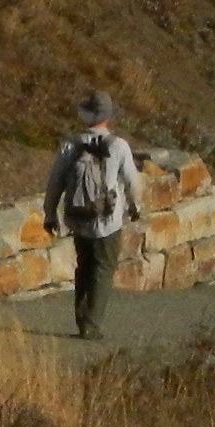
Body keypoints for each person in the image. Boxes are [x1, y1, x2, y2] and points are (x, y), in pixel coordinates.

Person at [42, 91, 142, 341]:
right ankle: (92, 324)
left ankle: (81, 317)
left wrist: (50, 213)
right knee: (103, 268)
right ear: (108, 117)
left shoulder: (70, 145)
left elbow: (55, 182)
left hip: (78, 218)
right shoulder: (119, 146)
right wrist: (135, 206)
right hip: (107, 220)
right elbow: (132, 181)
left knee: (84, 266)